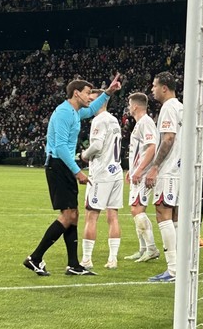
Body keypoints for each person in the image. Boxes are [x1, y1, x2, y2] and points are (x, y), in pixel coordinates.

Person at [24, 74, 122, 277]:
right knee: (68, 215)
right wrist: (77, 172)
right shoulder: (63, 113)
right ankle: (35, 257)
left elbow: (93, 109)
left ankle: (73, 265)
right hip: (58, 165)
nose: (90, 97)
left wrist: (108, 92)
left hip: (63, 166)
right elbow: (60, 147)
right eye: (88, 93)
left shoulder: (75, 111)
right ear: (76, 93)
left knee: (74, 215)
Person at [146, 72, 183, 283]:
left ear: (164, 88)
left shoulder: (168, 107)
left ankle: (173, 269)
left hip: (169, 170)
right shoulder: (182, 107)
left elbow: (168, 138)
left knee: (163, 213)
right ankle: (179, 266)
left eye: (154, 86)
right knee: (175, 217)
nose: (152, 89)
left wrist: (155, 167)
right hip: (181, 171)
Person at [80, 91, 123, 270]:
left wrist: (84, 155)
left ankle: (86, 259)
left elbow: (97, 145)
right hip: (116, 172)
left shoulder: (99, 120)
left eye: (91, 100)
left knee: (91, 215)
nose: (88, 103)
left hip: (101, 174)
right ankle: (113, 259)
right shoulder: (114, 120)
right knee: (113, 216)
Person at [124, 92, 160, 263]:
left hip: (143, 174)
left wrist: (139, 170)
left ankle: (151, 249)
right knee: (135, 210)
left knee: (137, 209)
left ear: (135, 106)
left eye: (129, 104)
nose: (128, 107)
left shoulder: (146, 122)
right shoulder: (140, 123)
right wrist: (131, 170)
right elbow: (140, 150)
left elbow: (152, 147)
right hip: (138, 173)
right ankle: (143, 249)